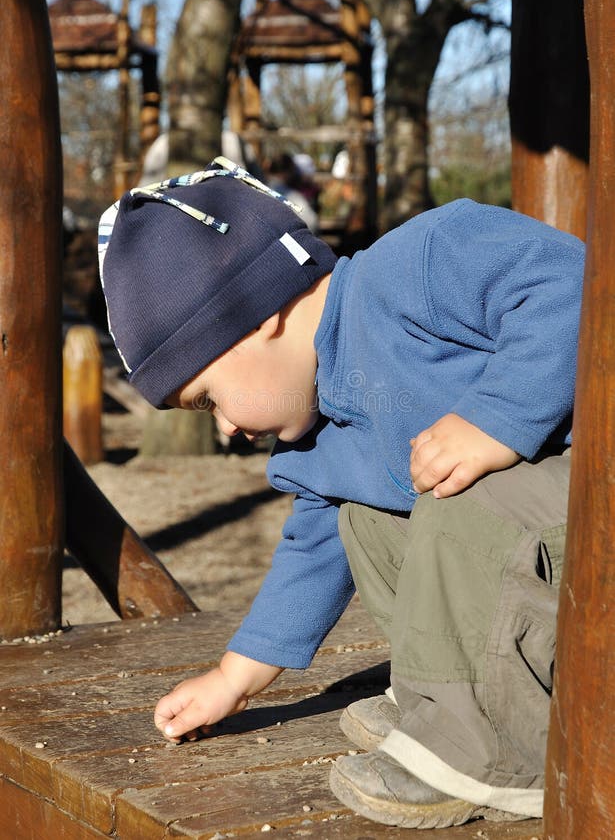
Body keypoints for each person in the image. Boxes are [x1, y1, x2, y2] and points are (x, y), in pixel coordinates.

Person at [98, 156, 584, 830]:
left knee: (461, 505)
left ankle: (497, 757)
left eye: (209, 400)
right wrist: (235, 677)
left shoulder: (416, 265)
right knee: (365, 521)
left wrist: (495, 418)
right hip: (542, 570)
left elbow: (571, 284)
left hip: (592, 525)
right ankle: (448, 703)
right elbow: (309, 556)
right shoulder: (316, 439)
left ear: (256, 317)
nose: (229, 427)